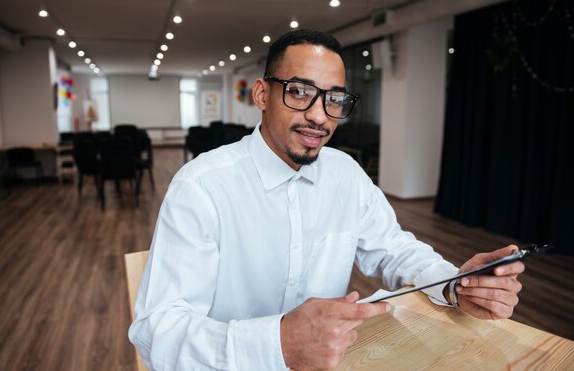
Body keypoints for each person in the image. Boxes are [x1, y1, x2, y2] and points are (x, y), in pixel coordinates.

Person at [129, 28, 524, 370]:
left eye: (334, 99)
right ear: (263, 94)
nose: (320, 116)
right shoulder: (202, 187)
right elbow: (157, 331)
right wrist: (277, 343)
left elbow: (394, 250)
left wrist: (457, 283)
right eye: (300, 92)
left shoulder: (345, 174)